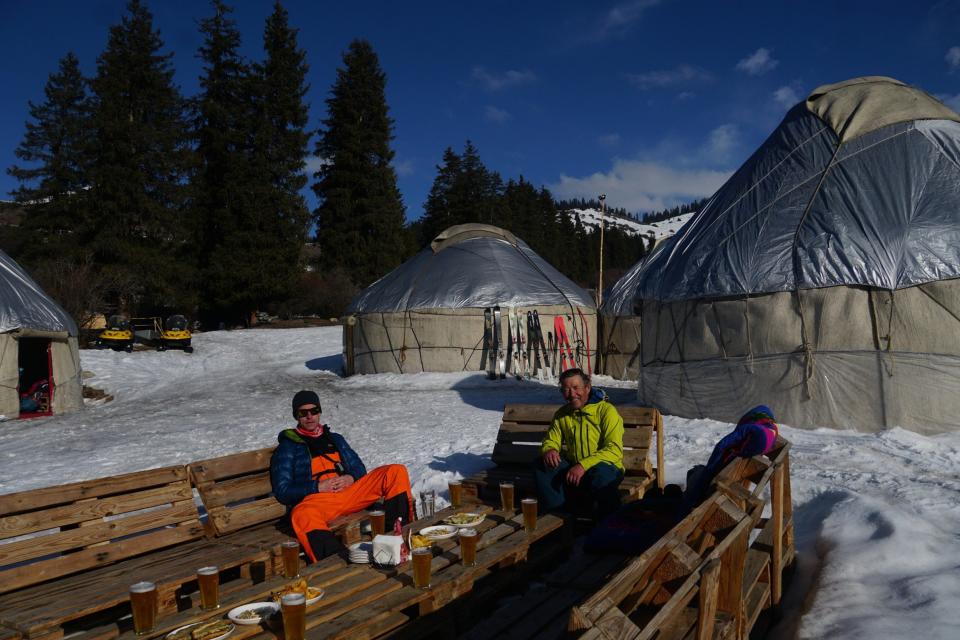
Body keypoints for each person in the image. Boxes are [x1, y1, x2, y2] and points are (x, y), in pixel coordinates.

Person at [270, 390, 415, 561]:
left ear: (319, 412)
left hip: (350, 493)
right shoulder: (288, 447)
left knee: (395, 471)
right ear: (296, 416)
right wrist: (317, 487)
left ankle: (396, 538)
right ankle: (337, 562)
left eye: (314, 411)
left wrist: (350, 478)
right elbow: (282, 490)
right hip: (320, 500)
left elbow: (359, 468)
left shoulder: (335, 439)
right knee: (301, 515)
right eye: (303, 413)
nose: (309, 416)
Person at [535, 368, 625, 517]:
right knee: (542, 465)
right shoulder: (562, 414)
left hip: (605, 467)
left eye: (576, 388)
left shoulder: (606, 411)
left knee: (601, 477)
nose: (571, 394)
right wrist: (549, 449)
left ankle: (608, 523)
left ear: (587, 388)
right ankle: (559, 517)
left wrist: (583, 465)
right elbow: (552, 439)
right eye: (566, 389)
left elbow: (613, 449)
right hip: (574, 468)